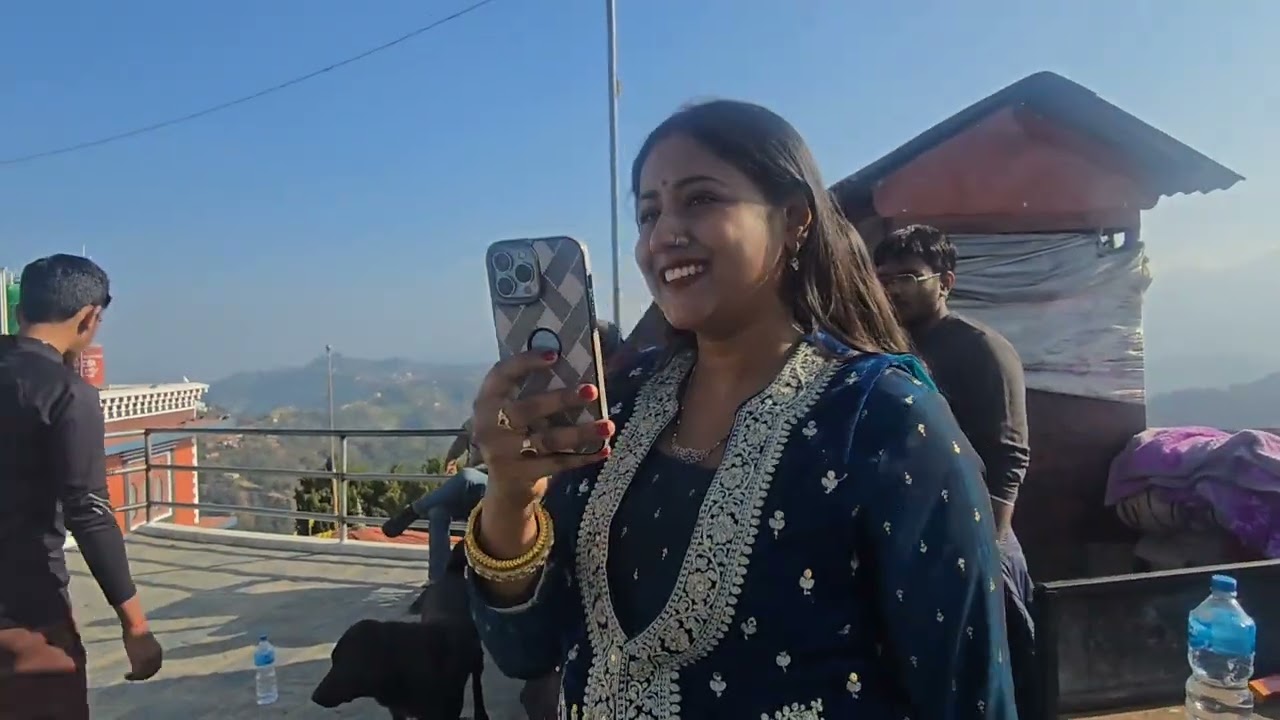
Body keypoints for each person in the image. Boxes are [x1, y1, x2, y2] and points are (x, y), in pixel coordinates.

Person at [461, 101, 1016, 719]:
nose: (663, 234)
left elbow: (968, 695)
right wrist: (511, 499)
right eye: (649, 212)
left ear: (794, 219)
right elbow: (524, 647)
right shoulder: (617, 404)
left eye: (699, 200)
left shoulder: (883, 420)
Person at [873, 224, 1037, 714]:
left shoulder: (980, 347)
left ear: (945, 282)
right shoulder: (883, 350)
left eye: (907, 276)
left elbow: (1009, 454)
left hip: (980, 538)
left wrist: (987, 544)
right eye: (881, 277)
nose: (891, 289)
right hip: (914, 539)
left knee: (985, 683)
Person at [0, 254, 163, 719]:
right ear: (90, 317)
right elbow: (88, 510)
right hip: (24, 615)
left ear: (20, 311)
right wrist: (135, 626)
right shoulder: (66, 394)